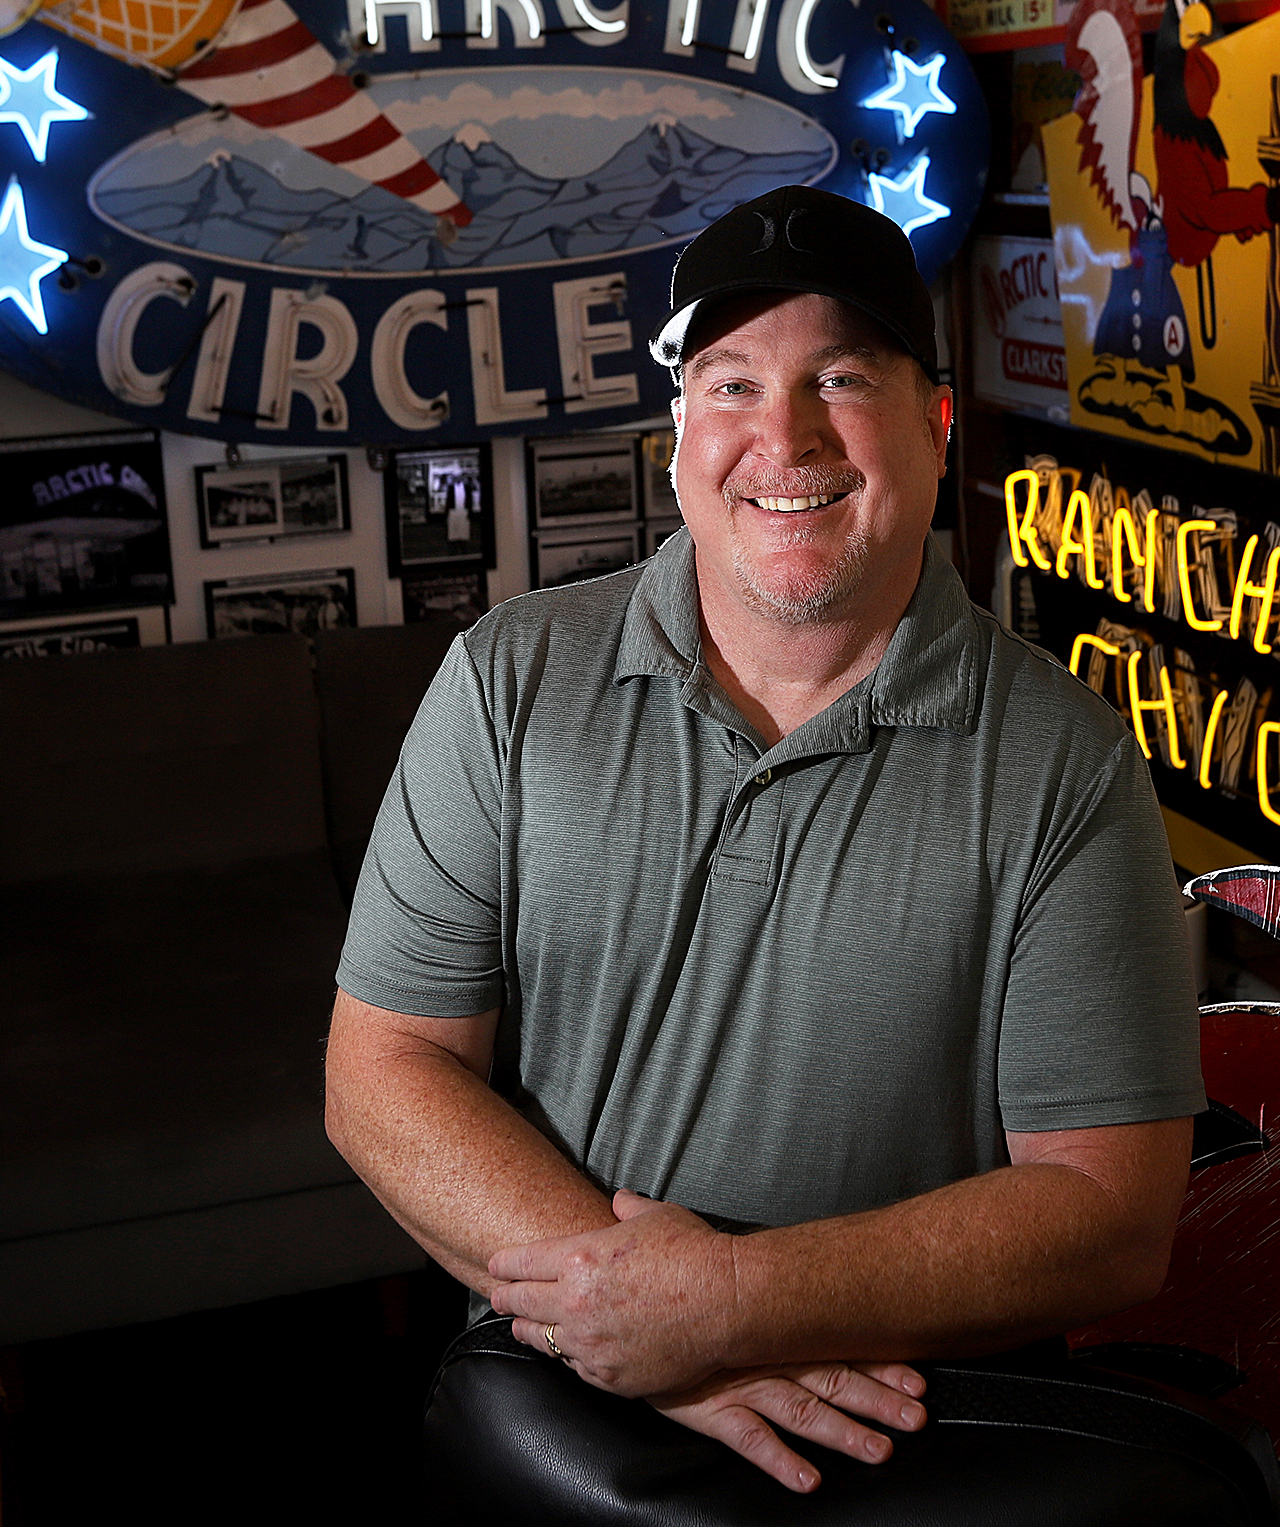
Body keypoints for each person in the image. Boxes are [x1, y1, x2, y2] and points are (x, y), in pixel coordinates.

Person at [325, 184, 1205, 1511]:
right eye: (731, 384)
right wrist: (637, 1324)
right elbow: (384, 1069)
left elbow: (1108, 1214)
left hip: (899, 1462)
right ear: (679, 431)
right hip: (558, 1427)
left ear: (936, 421)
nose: (783, 437)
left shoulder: (1062, 760)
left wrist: (734, 1302)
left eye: (840, 379)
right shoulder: (510, 678)